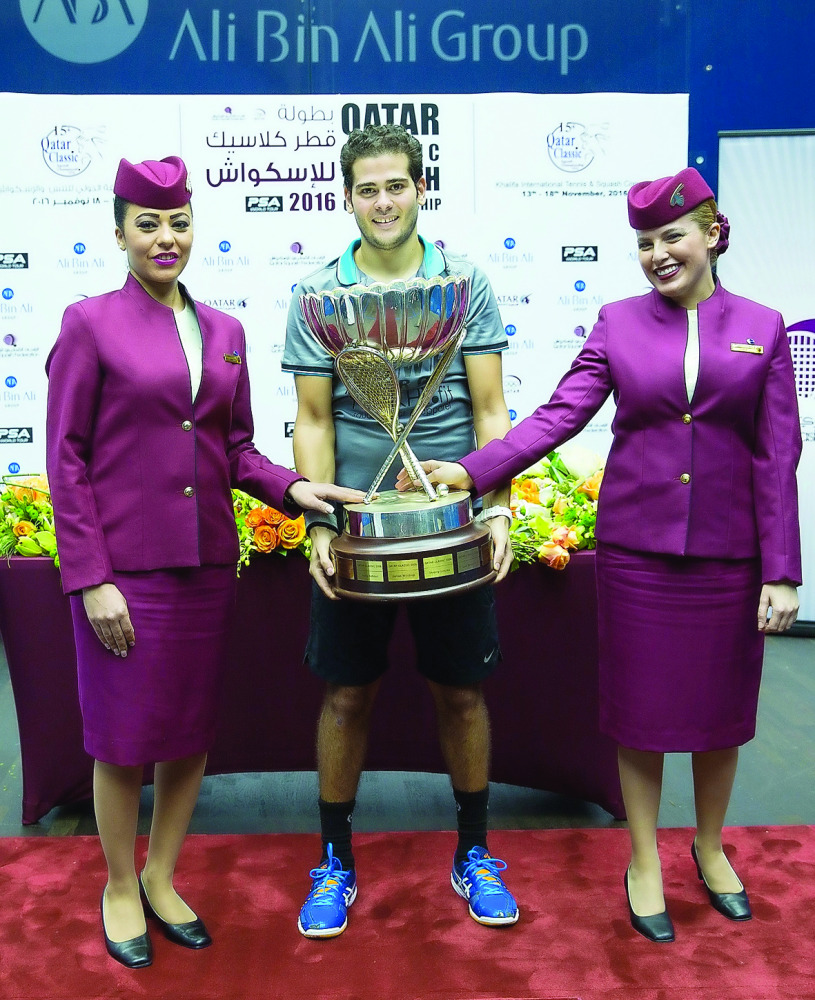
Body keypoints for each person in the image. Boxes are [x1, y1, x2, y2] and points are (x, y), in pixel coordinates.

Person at [397, 167, 802, 943]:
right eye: (644, 243)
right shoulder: (617, 323)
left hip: (727, 557)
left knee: (721, 716)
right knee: (642, 713)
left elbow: (772, 455)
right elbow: (558, 415)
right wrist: (477, 469)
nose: (657, 254)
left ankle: (711, 849)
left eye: (671, 237)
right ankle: (643, 858)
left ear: (711, 234)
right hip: (638, 555)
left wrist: (781, 570)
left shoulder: (762, 323)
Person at [45, 156, 364, 969]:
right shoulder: (88, 324)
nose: (166, 238)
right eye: (148, 223)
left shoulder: (222, 332)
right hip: (126, 574)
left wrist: (296, 488)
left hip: (205, 569)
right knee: (122, 742)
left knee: (186, 736)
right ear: (119, 230)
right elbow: (66, 458)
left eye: (179, 222)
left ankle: (160, 875)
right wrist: (92, 579)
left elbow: (234, 448)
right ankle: (119, 885)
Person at [281, 124, 519, 937]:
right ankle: (336, 861)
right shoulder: (317, 294)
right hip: (354, 529)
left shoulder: (466, 284)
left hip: (450, 523)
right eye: (367, 189)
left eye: (396, 185)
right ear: (347, 198)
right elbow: (312, 421)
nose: (383, 202)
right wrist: (317, 521)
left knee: (461, 692)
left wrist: (496, 503)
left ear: (420, 188)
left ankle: (475, 852)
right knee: (346, 694)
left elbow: (489, 410)